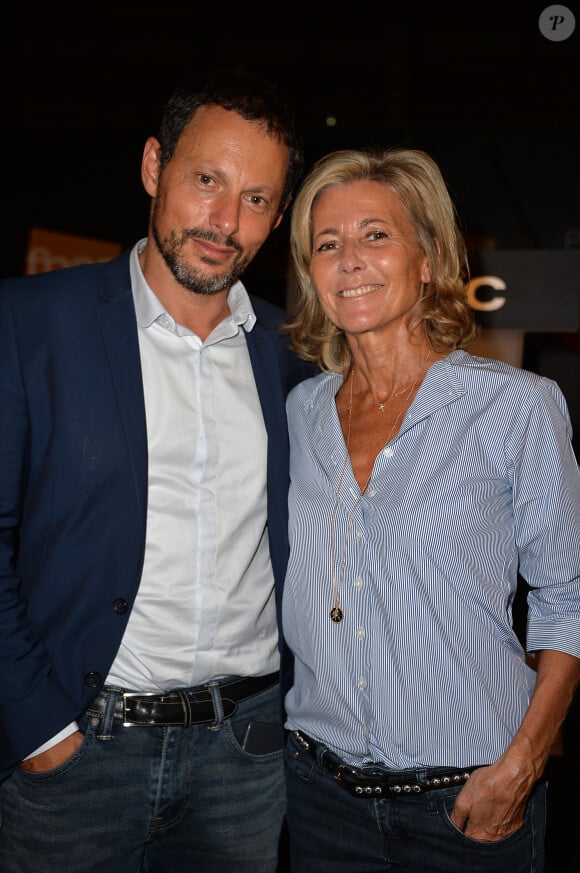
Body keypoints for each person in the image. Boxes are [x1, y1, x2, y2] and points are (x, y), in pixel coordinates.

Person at [0, 70, 314, 873]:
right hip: (76, 751)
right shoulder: (29, 322)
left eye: (255, 198)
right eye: (207, 179)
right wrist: (38, 729)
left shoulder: (295, 357)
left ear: (277, 218)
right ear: (153, 168)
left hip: (245, 759)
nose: (224, 219)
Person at [280, 146, 580, 872]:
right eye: (328, 243)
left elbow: (568, 596)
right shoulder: (300, 411)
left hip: (468, 802)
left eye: (375, 235)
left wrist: (524, 763)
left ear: (427, 258)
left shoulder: (515, 406)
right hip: (319, 798)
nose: (349, 259)